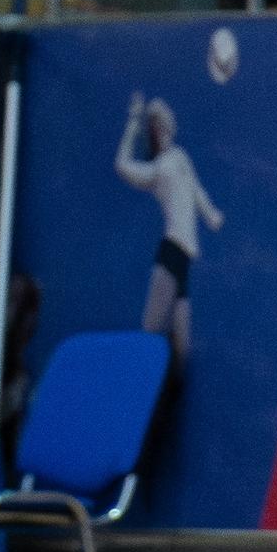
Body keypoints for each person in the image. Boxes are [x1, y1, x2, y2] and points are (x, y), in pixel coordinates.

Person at [115, 92, 222, 377]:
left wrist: (210, 214)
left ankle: (162, 389)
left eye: (164, 122)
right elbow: (122, 166)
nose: (163, 128)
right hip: (171, 252)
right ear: (155, 130)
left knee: (182, 349)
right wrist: (133, 122)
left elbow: (195, 188)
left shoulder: (180, 156)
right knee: (151, 330)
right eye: (157, 124)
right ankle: (137, 383)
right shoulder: (157, 170)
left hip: (184, 257)